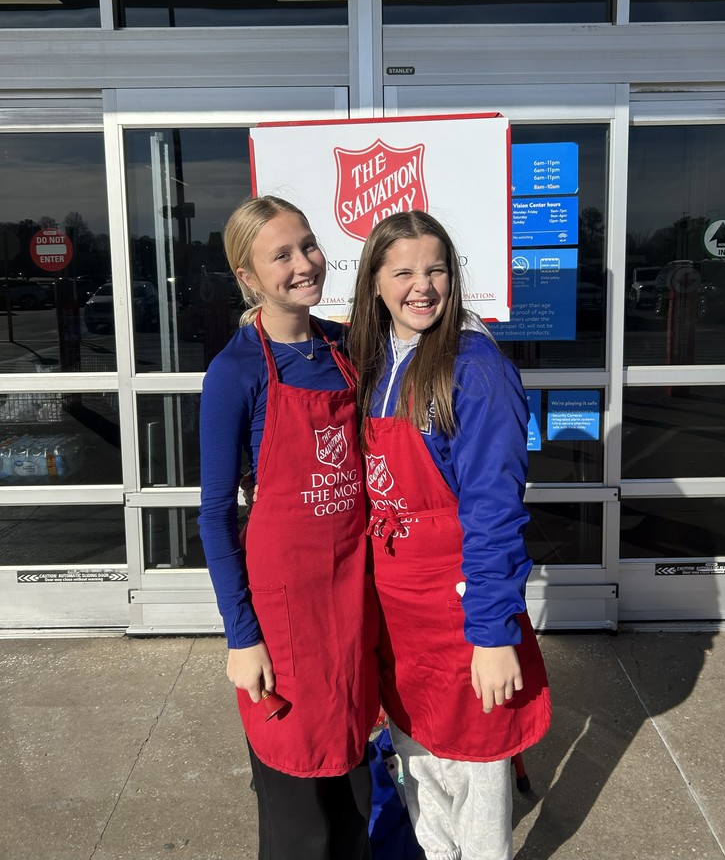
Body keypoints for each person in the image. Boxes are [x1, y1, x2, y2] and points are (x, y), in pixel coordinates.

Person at [347, 210, 551, 860]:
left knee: (478, 763)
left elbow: (495, 514)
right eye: (403, 271)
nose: (422, 285)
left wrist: (492, 635)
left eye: (436, 269)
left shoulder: (475, 370)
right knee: (419, 760)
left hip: (461, 611)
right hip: (400, 615)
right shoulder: (374, 362)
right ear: (375, 282)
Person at [198, 195, 379, 860]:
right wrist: (241, 639)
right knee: (298, 813)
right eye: (281, 255)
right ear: (248, 276)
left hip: (353, 603)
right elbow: (215, 516)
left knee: (357, 794)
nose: (304, 263)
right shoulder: (236, 371)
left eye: (307, 245)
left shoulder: (346, 347)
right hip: (285, 619)